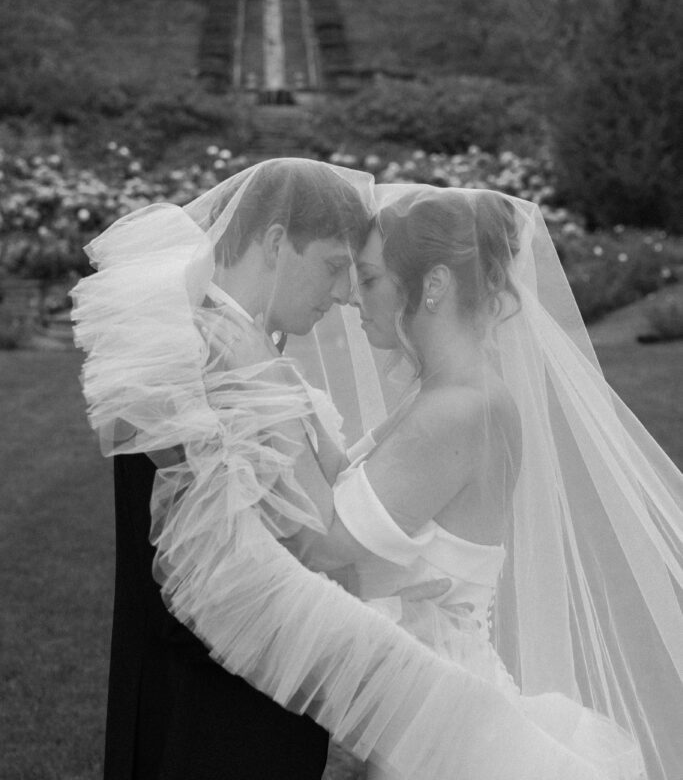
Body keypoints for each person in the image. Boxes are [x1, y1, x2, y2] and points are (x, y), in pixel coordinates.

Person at [74, 166, 682, 780]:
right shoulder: (437, 397)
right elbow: (340, 488)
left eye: (367, 278)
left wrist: (267, 380)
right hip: (401, 712)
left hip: (436, 723)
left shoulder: (461, 409)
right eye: (348, 272)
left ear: (435, 286)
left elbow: (328, 540)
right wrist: (282, 389)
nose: (352, 297)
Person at [72, 158, 373, 780]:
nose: (344, 294)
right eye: (333, 266)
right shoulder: (207, 352)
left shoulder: (221, 337)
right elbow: (246, 557)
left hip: (213, 678)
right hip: (219, 703)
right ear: (273, 242)